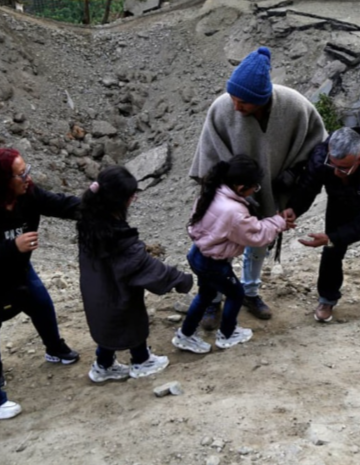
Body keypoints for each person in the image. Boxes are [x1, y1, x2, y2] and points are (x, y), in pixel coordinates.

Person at [189, 47, 327, 327]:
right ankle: (212, 299)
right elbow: (209, 157)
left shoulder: (295, 106)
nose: (236, 106)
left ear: (262, 100)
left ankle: (250, 292)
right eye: (234, 99)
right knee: (218, 247)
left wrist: (293, 175)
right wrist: (227, 195)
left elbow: (319, 146)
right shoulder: (223, 108)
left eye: (244, 103)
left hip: (273, 190)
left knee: (258, 243)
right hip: (228, 196)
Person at [78, 166, 194, 383]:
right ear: (118, 201)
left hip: (96, 290)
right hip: (117, 294)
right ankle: (141, 361)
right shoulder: (118, 238)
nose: (134, 199)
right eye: (131, 195)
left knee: (107, 327)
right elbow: (146, 267)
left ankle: (103, 366)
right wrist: (180, 279)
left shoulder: (90, 220)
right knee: (131, 323)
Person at [174, 156, 292, 355]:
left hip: (197, 253)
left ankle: (185, 335)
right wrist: (279, 222)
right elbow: (256, 234)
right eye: (254, 187)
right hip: (214, 263)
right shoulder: (234, 210)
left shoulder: (212, 192)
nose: (255, 191)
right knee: (236, 294)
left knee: (205, 295)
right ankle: (227, 335)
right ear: (240, 187)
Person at [0, 149, 82, 420]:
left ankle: (55, 350)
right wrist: (13, 246)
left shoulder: (29, 194)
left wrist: (99, 205)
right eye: (21, 173)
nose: (28, 176)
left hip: (19, 271)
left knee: (42, 304)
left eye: (27, 169)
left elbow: (62, 204)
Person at [289, 127, 360, 323]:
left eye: (344, 168)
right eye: (333, 165)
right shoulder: (322, 154)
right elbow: (308, 185)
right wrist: (294, 209)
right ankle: (327, 298)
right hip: (339, 205)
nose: (337, 172)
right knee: (332, 251)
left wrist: (333, 237)